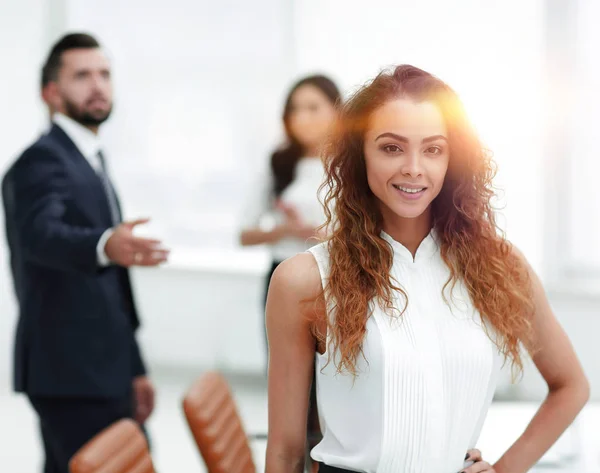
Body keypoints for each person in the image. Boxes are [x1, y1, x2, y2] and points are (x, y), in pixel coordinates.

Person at [265, 64, 590, 473]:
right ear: (358, 155)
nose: (414, 168)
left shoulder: (499, 266)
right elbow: (285, 451)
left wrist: (505, 470)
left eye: (433, 149)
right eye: (391, 148)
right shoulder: (305, 280)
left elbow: (571, 386)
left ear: (452, 159)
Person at [2, 33, 169, 473]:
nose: (97, 85)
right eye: (82, 76)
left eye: (104, 74)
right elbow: (41, 235)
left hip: (105, 365)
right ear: (51, 93)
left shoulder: (91, 157)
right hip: (68, 370)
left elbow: (113, 283)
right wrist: (102, 244)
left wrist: (135, 366)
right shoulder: (40, 161)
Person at [240, 74, 340, 472]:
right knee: (291, 392)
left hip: (335, 282)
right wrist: (285, 231)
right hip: (283, 282)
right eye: (295, 109)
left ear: (337, 111)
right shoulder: (278, 164)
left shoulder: (352, 162)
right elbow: (244, 233)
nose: (303, 117)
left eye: (314, 107)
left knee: (333, 391)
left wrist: (323, 234)